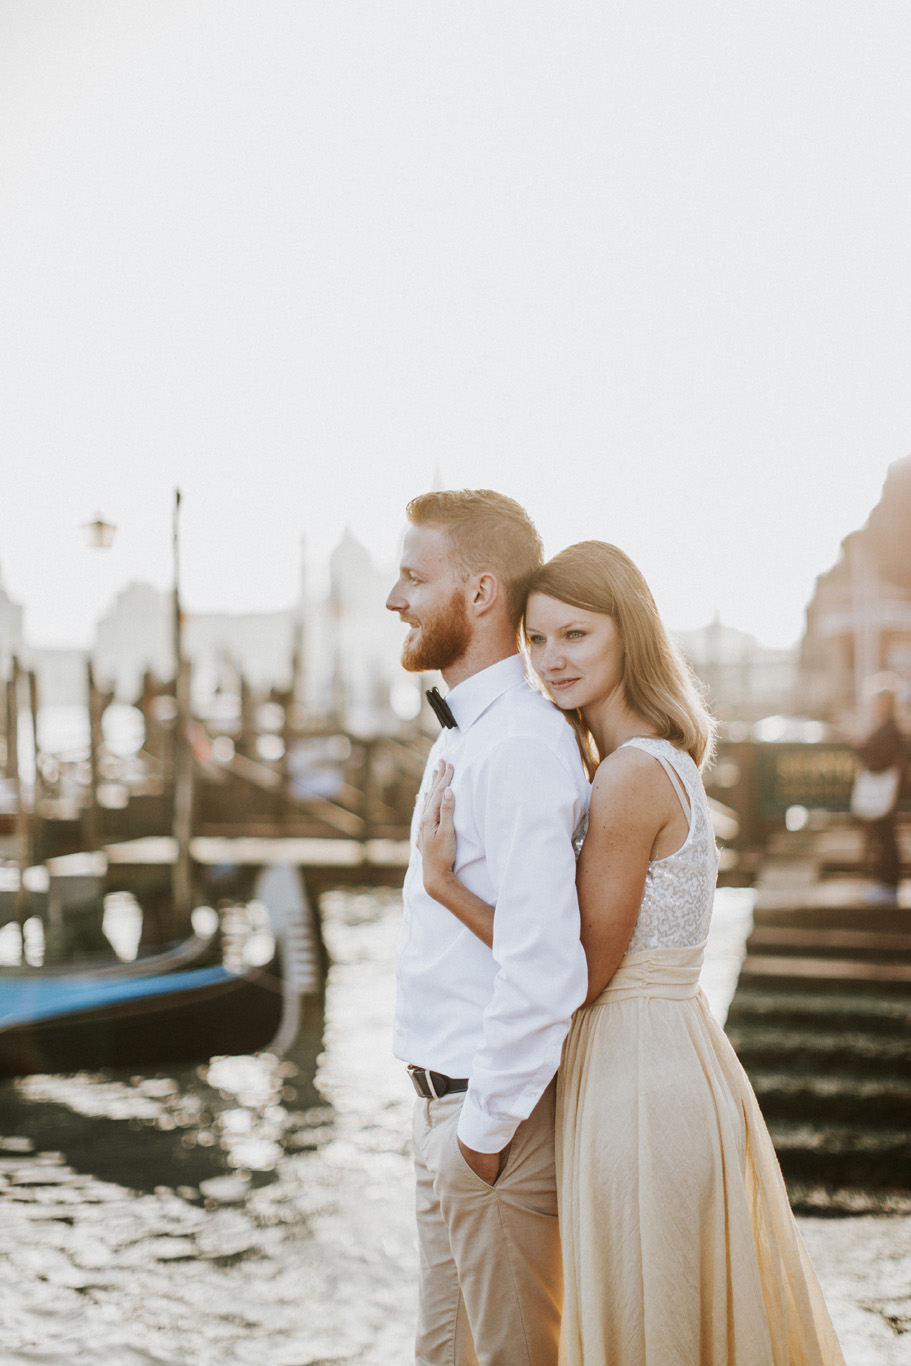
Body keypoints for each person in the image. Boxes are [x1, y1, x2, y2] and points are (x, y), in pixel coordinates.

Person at [420, 540, 845, 1365]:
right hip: (669, 1061)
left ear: (629, 635)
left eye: (575, 636)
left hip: (638, 1085)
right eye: (536, 641)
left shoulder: (627, 777)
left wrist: (449, 887)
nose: (551, 660)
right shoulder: (658, 760)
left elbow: (576, 972)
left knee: (649, 1325)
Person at [386, 490, 591, 1366]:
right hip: (449, 1117)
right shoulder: (467, 736)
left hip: (485, 1127)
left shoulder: (517, 748)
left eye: (411, 577)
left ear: (476, 594)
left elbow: (545, 970)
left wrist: (477, 1143)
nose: (393, 600)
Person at [854, 679, 905, 907]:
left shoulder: (891, 729)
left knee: (886, 838)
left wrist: (858, 745)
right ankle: (885, 883)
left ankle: (888, 885)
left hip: (886, 793)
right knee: (884, 837)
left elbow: (878, 761)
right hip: (886, 793)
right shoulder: (888, 727)